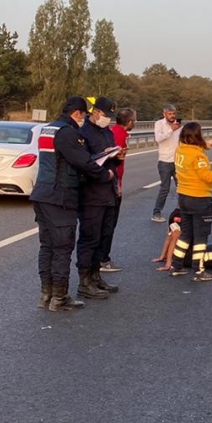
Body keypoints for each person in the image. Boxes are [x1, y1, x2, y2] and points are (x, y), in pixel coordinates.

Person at [29, 96, 119, 312]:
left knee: (47, 247)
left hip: (42, 193)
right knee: (61, 248)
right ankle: (59, 298)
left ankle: (47, 294)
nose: (84, 119)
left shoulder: (48, 129)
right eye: (84, 115)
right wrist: (105, 174)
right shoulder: (68, 133)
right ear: (78, 113)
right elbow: (83, 162)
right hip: (60, 196)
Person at [76, 96, 122, 300]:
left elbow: (110, 160)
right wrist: (101, 156)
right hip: (91, 193)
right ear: (95, 112)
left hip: (108, 191)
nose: (108, 119)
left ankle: (95, 277)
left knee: (104, 236)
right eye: (105, 115)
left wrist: (115, 157)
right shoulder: (83, 132)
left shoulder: (107, 132)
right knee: (90, 238)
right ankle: (84, 282)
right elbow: (84, 162)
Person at [170, 122, 212, 280]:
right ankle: (198, 270)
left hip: (183, 197)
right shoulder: (199, 156)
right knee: (201, 236)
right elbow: (207, 177)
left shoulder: (180, 150)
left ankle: (176, 265)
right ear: (197, 136)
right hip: (199, 198)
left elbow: (191, 150)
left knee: (185, 234)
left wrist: (206, 145)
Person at [99, 107, 136, 273]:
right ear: (129, 122)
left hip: (108, 182)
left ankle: (100, 258)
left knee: (104, 223)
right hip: (112, 183)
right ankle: (103, 259)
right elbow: (116, 161)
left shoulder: (112, 130)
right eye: (133, 120)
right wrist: (118, 185)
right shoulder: (119, 134)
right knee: (109, 223)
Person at [151, 104, 183, 222]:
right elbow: (158, 139)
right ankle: (156, 212)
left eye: (174, 113)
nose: (172, 116)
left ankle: (181, 210)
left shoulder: (179, 126)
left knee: (181, 187)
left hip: (178, 161)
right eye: (170, 114)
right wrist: (171, 130)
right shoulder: (159, 124)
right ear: (164, 114)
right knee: (165, 188)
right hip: (165, 160)